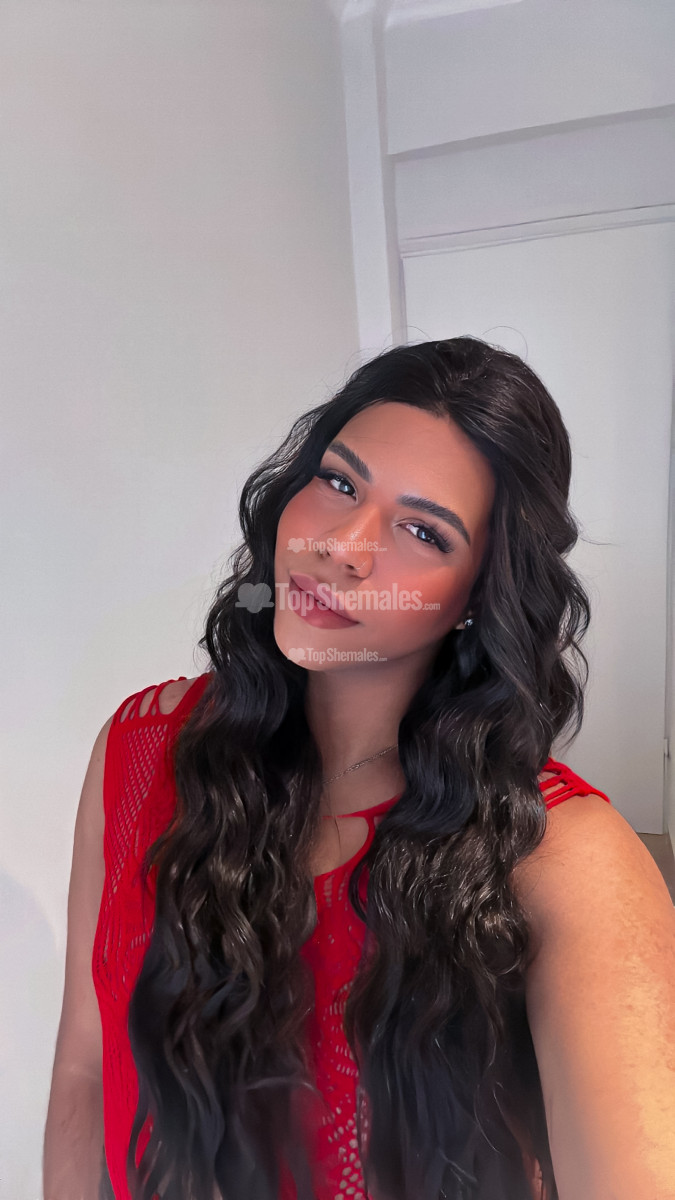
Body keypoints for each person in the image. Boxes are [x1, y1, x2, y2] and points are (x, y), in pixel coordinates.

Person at [43, 336, 675, 1200]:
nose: (342, 546)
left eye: (421, 530)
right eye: (338, 483)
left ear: (477, 595)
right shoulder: (138, 752)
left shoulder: (565, 856)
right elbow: (85, 1066)